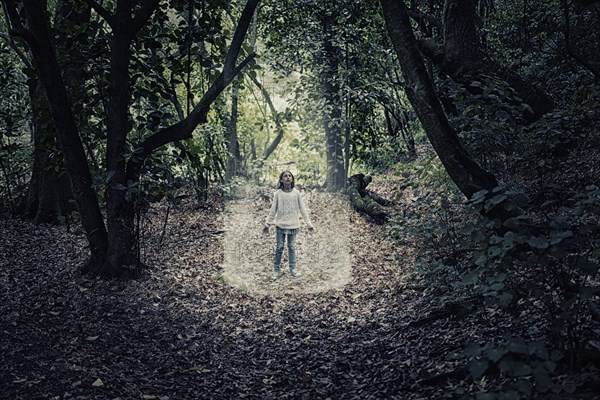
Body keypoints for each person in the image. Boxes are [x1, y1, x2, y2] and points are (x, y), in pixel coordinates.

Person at [263, 170, 314, 279]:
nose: (287, 178)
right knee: (279, 247)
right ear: (281, 180)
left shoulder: (296, 193)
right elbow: (273, 210)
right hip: (280, 225)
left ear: (292, 179)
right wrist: (267, 224)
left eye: (289, 176)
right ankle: (276, 270)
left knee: (291, 247)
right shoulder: (278, 194)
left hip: (293, 225)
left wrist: (308, 224)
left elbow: (303, 209)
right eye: (285, 176)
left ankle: (292, 269)